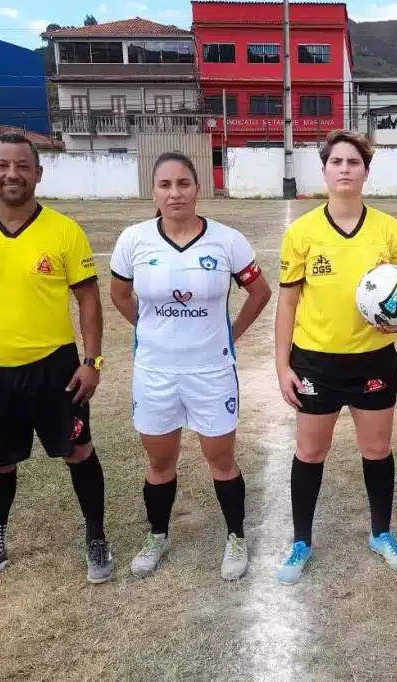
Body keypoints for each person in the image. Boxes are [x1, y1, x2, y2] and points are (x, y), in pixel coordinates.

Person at [0, 132, 113, 589]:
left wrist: (92, 361)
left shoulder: (64, 231)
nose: (12, 173)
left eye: (22, 165)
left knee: (77, 451)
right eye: (3, 165)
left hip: (55, 369)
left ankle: (96, 538)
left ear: (38, 173)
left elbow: (89, 301)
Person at [110, 152, 272, 581]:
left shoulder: (227, 240)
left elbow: (260, 293)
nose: (175, 193)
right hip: (155, 372)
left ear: (198, 188)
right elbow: (120, 297)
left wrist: (229, 335)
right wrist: (149, 331)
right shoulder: (134, 240)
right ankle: (157, 534)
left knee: (220, 457)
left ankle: (235, 536)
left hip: (211, 371)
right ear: (154, 192)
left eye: (183, 183)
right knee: (160, 460)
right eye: (165, 185)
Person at [274, 129, 397, 585]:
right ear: (325, 170)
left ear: (366, 172)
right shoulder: (302, 232)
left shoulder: (390, 231)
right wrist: (282, 366)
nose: (344, 169)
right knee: (310, 451)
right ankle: (301, 541)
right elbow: (288, 303)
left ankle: (381, 532)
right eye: (336, 162)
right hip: (315, 361)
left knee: (377, 449)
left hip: (373, 360)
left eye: (353, 162)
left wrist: (393, 322)